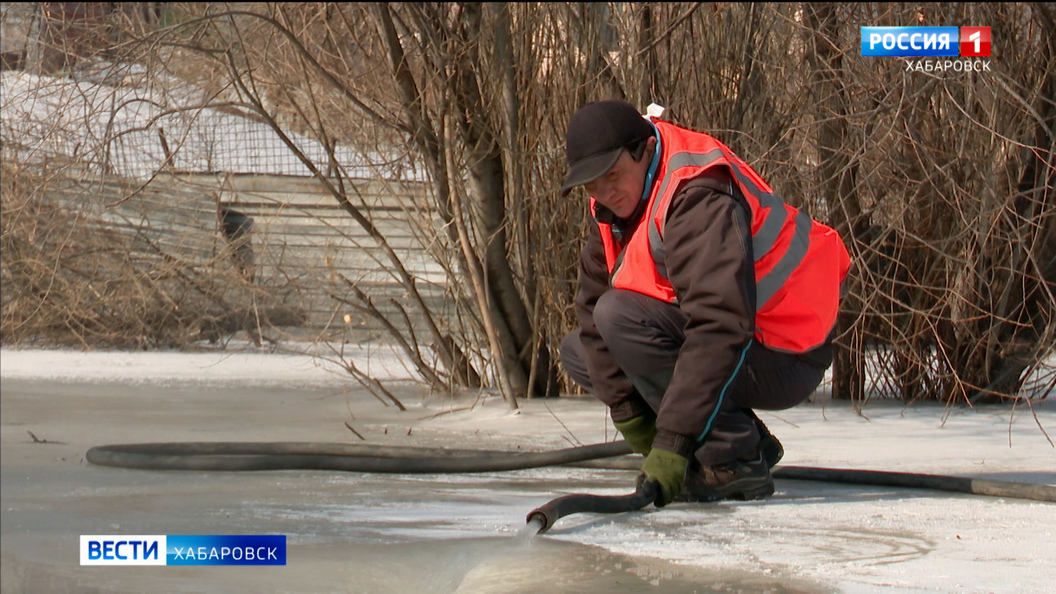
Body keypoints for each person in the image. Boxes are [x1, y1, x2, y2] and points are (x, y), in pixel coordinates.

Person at [558, 100, 851, 506]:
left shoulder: (696, 192)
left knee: (619, 318)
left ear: (642, 151)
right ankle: (742, 441)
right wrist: (633, 419)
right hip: (741, 341)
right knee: (581, 349)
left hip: (787, 347)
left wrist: (673, 441)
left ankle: (735, 459)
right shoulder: (612, 203)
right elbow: (591, 312)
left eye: (612, 176)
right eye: (592, 184)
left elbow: (720, 324)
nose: (604, 193)